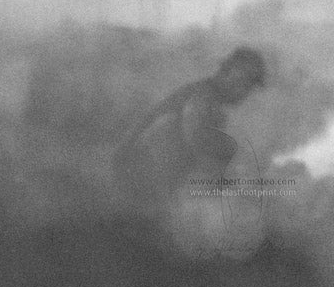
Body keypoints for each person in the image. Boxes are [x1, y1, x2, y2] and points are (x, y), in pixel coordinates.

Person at [112, 46, 266, 216]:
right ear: (230, 75)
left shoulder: (207, 96)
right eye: (245, 85)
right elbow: (200, 153)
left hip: (141, 173)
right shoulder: (203, 98)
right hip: (141, 180)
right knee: (225, 148)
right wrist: (233, 188)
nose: (246, 94)